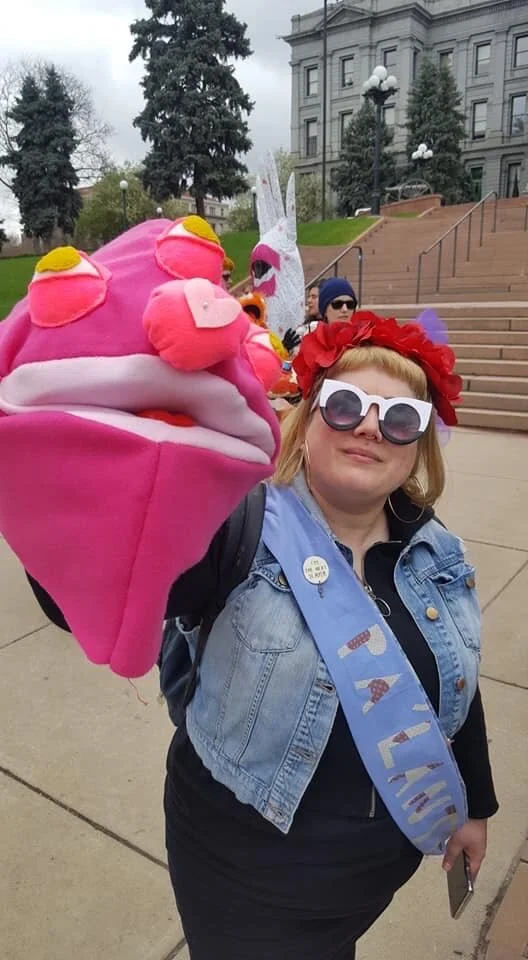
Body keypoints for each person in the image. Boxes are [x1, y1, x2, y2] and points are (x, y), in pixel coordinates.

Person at [27, 312, 498, 960]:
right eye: (344, 405)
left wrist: (475, 805)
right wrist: (51, 482)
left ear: (419, 444)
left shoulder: (436, 548)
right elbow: (84, 593)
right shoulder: (232, 529)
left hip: (371, 874)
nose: (369, 427)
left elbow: (457, 693)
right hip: (244, 882)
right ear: (307, 422)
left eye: (399, 418)